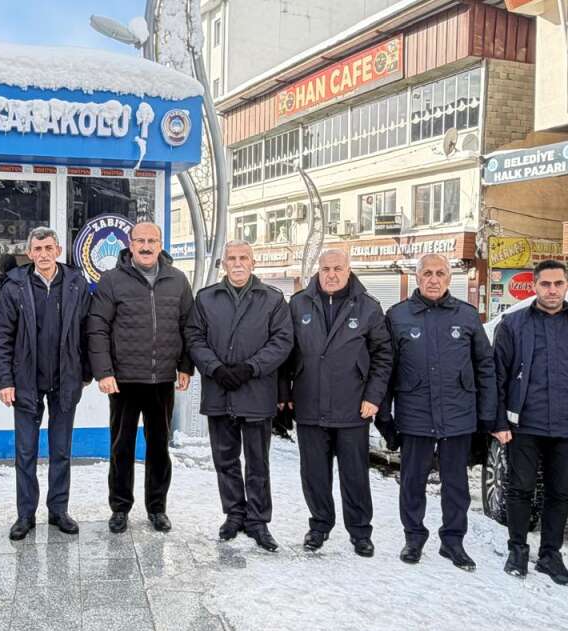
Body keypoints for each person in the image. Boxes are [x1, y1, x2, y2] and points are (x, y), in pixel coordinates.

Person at [492, 259, 568, 586]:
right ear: (534, 286)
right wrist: (498, 421)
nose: (552, 290)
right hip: (524, 424)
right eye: (546, 284)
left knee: (559, 493)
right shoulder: (513, 324)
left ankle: (550, 555)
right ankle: (517, 549)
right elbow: (497, 377)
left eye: (558, 284)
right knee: (520, 488)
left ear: (567, 285)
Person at [378, 254, 495, 570]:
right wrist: (384, 415)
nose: (433, 279)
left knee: (456, 484)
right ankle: (413, 538)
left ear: (449, 278)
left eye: (440, 273)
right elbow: (386, 369)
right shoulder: (398, 316)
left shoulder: (467, 317)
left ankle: (453, 542)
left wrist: (487, 415)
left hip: (458, 416)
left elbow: (485, 366)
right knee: (412, 482)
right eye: (427, 273)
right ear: (417, 278)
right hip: (414, 414)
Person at [281, 249, 392, 556]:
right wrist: (285, 394)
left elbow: (383, 356)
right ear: (319, 270)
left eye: (338, 268)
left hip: (353, 405)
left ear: (348, 270)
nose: (331, 274)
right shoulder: (299, 303)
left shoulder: (368, 307)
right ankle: (319, 525)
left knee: (355, 473)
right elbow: (286, 354)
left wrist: (373, 396)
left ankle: (360, 532)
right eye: (326, 268)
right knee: (314, 472)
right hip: (309, 403)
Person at [86, 221, 194, 534]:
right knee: (122, 447)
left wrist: (186, 366)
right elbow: (97, 328)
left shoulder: (178, 281)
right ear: (130, 244)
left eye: (152, 241)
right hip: (123, 380)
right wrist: (104, 372)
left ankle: (157, 508)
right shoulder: (112, 280)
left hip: (162, 379)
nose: (146, 246)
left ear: (160, 245)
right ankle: (120, 508)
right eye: (140, 241)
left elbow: (190, 327)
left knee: (159, 447)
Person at [185, 240, 292, 551]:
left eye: (243, 257)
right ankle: (234, 514)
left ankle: (258, 520)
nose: (237, 263)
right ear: (224, 264)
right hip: (220, 392)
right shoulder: (206, 298)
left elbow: (282, 341)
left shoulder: (272, 299)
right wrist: (215, 368)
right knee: (225, 459)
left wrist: (250, 368)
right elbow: (194, 337)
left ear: (253, 262)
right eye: (231, 258)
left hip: (256, 392)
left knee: (258, 462)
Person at [0, 228, 91, 540]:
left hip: (65, 380)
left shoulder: (76, 284)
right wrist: (4, 380)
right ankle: (25, 514)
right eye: (38, 248)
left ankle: (58, 510)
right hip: (26, 382)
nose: (44, 254)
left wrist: (84, 374)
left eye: (49, 247)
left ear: (58, 249)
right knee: (26, 452)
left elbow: (89, 332)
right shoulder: (15, 286)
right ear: (30, 252)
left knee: (61, 450)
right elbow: (1, 337)